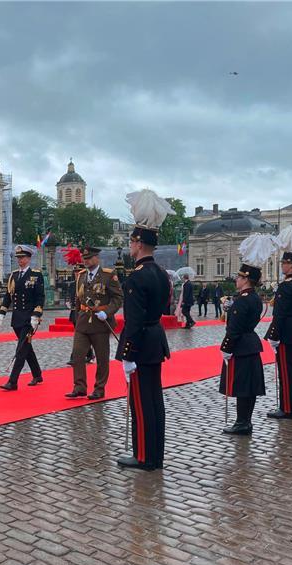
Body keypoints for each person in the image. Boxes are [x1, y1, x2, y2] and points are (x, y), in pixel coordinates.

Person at [116, 189, 173, 471]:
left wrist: (127, 354)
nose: (129, 245)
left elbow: (134, 321)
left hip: (140, 345)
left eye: (131, 241)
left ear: (138, 243)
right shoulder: (161, 274)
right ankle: (155, 454)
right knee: (154, 400)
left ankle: (143, 456)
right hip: (156, 340)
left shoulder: (137, 277)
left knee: (140, 402)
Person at [219, 234, 277, 435]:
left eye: (239, 276)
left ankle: (242, 422)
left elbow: (234, 328)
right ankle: (245, 421)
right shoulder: (252, 298)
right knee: (248, 387)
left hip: (241, 346)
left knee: (242, 387)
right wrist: (230, 308)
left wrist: (225, 347)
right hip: (250, 344)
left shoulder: (243, 300)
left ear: (246, 279)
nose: (236, 279)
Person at [64, 247, 123, 400]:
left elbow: (118, 298)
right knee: (77, 356)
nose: (86, 260)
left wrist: (108, 312)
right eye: (84, 258)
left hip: (100, 322)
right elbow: (78, 300)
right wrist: (77, 318)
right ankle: (79, 387)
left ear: (97, 258)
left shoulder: (108, 275)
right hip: (83, 321)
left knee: (102, 358)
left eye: (89, 258)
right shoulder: (81, 276)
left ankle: (99, 388)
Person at [264, 225, 292, 420]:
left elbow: (280, 314)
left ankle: (288, 408)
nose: (282, 266)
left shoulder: (286, 285)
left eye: (284, 263)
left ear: (291, 265)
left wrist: (273, 334)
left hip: (286, 331)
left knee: (286, 371)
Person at [0, 245, 45, 390]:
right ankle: (37, 374)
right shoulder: (14, 275)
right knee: (26, 347)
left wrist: (36, 315)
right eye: (18, 258)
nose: (20, 260)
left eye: (23, 258)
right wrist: (2, 312)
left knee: (21, 349)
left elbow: (40, 297)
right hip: (17, 318)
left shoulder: (36, 274)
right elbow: (8, 295)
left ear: (29, 258)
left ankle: (13, 381)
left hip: (30, 319)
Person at [66, 264, 95, 366]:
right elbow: (70, 296)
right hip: (74, 312)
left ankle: (74, 357)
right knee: (81, 334)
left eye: (78, 272)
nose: (76, 274)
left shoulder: (87, 284)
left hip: (84, 312)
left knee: (79, 335)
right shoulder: (73, 284)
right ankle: (90, 354)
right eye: (75, 272)